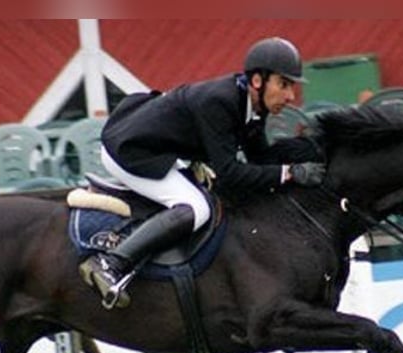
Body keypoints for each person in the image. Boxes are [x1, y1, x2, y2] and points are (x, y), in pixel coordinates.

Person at [79, 36, 327, 309]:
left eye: (291, 87)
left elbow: (260, 158)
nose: (291, 96)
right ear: (258, 80)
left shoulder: (253, 105)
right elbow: (230, 174)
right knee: (196, 208)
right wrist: (289, 173)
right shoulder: (221, 102)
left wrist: (313, 149)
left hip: (157, 146)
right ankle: (111, 263)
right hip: (130, 151)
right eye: (284, 84)